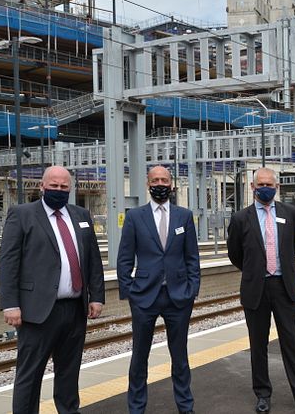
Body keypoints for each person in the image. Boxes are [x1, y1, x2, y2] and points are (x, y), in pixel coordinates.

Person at [0, 165, 105, 414]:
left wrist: (97, 296)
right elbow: (8, 262)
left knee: (69, 371)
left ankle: (69, 410)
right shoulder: (22, 214)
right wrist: (10, 304)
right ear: (42, 186)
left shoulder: (81, 215)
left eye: (64, 187)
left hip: (75, 308)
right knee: (30, 374)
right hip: (37, 311)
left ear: (70, 188)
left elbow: (92, 259)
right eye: (54, 186)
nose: (59, 190)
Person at [227, 167, 295, 414]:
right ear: (252, 187)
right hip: (256, 288)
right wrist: (255, 270)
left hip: (284, 287)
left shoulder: (289, 213)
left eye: (270, 184)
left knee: (292, 344)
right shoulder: (240, 218)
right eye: (261, 184)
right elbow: (235, 254)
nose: (265, 188)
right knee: (258, 346)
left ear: (277, 187)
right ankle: (262, 395)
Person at [117, 165, 200, 414]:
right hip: (144, 296)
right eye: (156, 180)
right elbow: (124, 258)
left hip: (178, 296)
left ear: (172, 184)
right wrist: (129, 291)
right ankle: (136, 408)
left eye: (164, 179)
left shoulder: (184, 216)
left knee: (180, 357)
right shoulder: (134, 217)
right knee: (140, 357)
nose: (160, 184)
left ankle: (186, 407)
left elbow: (192, 257)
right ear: (148, 184)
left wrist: (192, 289)